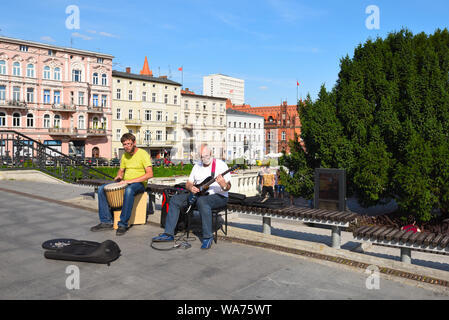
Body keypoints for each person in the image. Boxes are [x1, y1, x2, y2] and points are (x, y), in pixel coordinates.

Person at [152, 144, 231, 249]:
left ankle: (207, 237)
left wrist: (223, 184)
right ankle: (168, 234)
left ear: (211, 154)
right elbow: (188, 183)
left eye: (206, 156)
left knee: (202, 202)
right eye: (202, 156)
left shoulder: (221, 165)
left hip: (219, 196)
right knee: (175, 199)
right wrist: (191, 188)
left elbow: (228, 187)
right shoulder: (197, 166)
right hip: (199, 194)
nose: (204, 159)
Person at [91, 133, 153, 236]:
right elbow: (121, 171)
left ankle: (123, 224)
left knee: (129, 190)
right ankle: (106, 221)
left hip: (139, 184)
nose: (126, 146)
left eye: (129, 144)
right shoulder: (124, 155)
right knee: (102, 188)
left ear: (134, 143)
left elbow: (150, 174)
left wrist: (129, 181)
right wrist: (119, 176)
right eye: (124, 144)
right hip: (125, 182)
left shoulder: (143, 154)